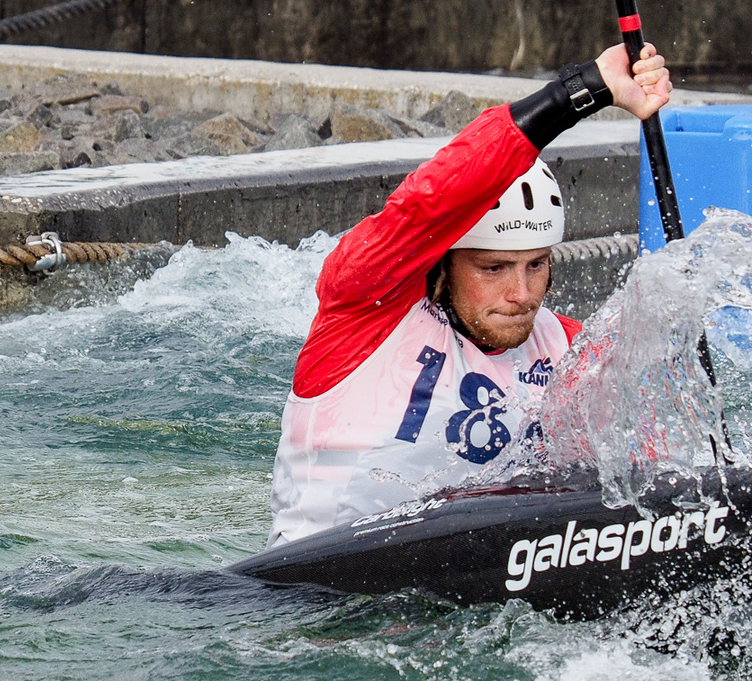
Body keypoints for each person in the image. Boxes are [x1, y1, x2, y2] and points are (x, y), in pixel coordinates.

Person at [269, 43, 672, 547]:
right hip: (317, 597)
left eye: (537, 265)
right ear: (445, 260)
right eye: (494, 268)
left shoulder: (571, 351)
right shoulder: (361, 308)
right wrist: (582, 91)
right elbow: (428, 203)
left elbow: (635, 472)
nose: (521, 293)